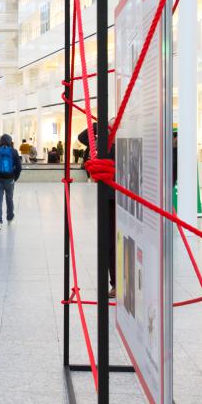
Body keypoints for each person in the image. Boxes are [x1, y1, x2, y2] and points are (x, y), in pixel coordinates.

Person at [78, 122, 117, 298]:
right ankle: (116, 283)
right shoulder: (104, 145)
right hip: (110, 199)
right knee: (110, 243)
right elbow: (82, 137)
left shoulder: (125, 142)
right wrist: (99, 124)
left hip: (128, 200)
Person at [0, 133, 22, 230]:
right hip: (9, 179)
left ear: (1, 141)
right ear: (10, 142)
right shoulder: (14, 151)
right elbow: (19, 167)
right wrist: (15, 178)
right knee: (9, 199)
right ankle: (9, 217)